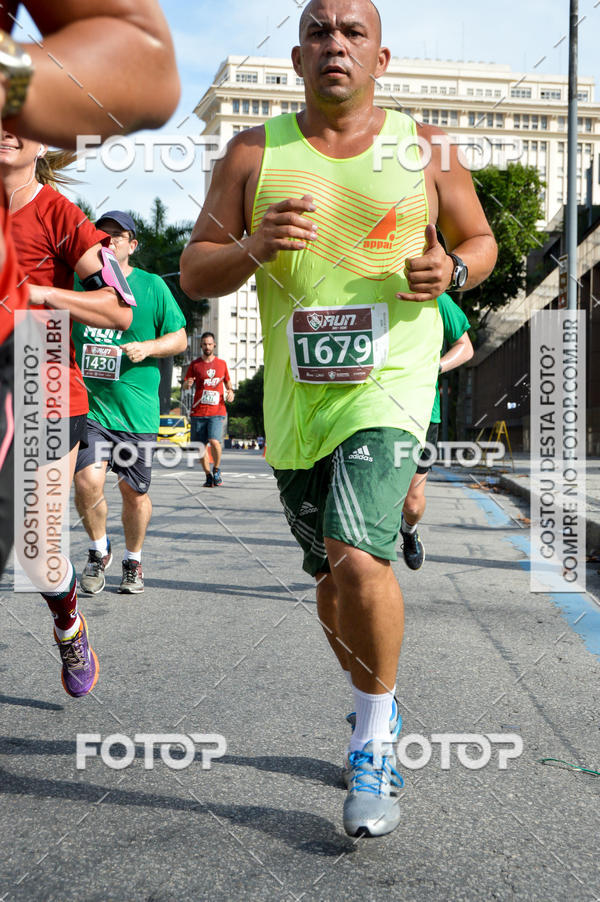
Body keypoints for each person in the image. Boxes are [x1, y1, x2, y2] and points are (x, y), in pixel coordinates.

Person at [180, 0, 497, 837]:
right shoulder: (253, 152)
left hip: (389, 381)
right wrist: (252, 247)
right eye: (320, 30)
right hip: (298, 399)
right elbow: (195, 272)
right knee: (331, 581)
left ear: (381, 58)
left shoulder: (428, 148)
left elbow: (481, 240)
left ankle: (372, 741)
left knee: (360, 554)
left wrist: (452, 271)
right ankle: (376, 708)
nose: (336, 44)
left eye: (353, 31)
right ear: (296, 56)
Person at [0, 0, 180, 580]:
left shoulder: (132, 272)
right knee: (85, 484)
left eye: (18, 122)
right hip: (79, 400)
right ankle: (101, 554)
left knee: (42, 540)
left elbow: (147, 73)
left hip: (70, 389)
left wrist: (52, 300)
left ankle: (100, 582)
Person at [2, 136, 134, 697]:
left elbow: (118, 309)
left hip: (42, 379)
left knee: (35, 551)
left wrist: (50, 298)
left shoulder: (60, 214)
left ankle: (68, 623)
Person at [72, 211, 187, 595]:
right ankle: (96, 549)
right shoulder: (77, 284)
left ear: (132, 245)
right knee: (87, 480)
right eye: (101, 235)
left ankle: (133, 560)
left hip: (136, 412)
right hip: (91, 409)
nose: (108, 241)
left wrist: (148, 347)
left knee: (132, 493)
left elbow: (180, 339)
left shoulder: (152, 287)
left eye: (117, 236)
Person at [400, 292, 474, 569]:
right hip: (369, 409)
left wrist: (436, 367)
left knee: (413, 505)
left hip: (423, 415)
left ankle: (408, 532)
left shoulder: (437, 298)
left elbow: (465, 346)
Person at [183, 332, 234, 486]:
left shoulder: (222, 364)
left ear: (214, 345)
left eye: (210, 344)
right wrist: (188, 384)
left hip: (217, 411)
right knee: (200, 446)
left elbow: (229, 386)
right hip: (198, 412)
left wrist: (231, 393)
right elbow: (185, 385)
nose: (207, 346)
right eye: (204, 344)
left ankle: (217, 469)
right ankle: (208, 476)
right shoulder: (195, 365)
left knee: (214, 441)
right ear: (201, 346)